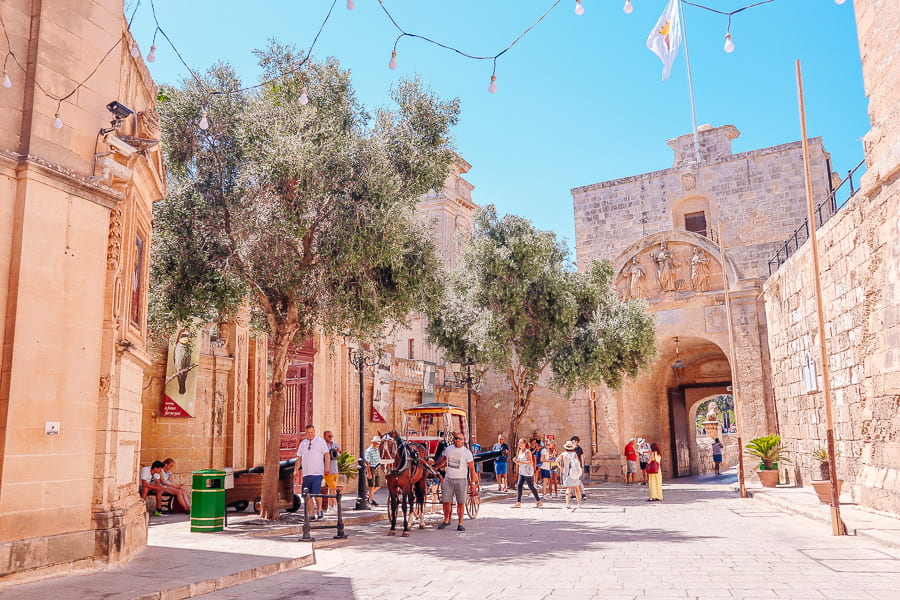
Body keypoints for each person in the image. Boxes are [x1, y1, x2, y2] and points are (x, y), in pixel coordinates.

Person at [435, 432, 478, 532]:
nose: (457, 440)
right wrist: (436, 467)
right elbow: (444, 460)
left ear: (463, 441)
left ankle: (460, 523)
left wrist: (472, 483)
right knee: (446, 501)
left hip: (461, 479)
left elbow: (472, 469)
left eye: (460, 439)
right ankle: (446, 520)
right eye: (456, 438)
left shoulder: (466, 452)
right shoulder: (448, 449)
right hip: (449, 478)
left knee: (460, 502)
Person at [296, 425, 330, 521]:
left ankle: (319, 509)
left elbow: (327, 454)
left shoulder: (320, 441)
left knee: (316, 493)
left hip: (317, 472)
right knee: (306, 495)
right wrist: (295, 469)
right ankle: (311, 514)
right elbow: (299, 458)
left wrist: (326, 467)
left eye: (312, 432)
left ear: (314, 432)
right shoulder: (303, 443)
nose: (310, 434)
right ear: (305, 433)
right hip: (306, 473)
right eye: (308, 433)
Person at [512, 438, 541, 508]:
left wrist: (520, 462)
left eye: (521, 442)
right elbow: (519, 459)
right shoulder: (520, 451)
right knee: (519, 485)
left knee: (531, 486)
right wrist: (515, 460)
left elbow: (530, 462)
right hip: (522, 471)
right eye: (519, 442)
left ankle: (538, 501)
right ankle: (518, 502)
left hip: (527, 472)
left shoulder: (527, 452)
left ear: (525, 443)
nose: (519, 444)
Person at [557, 441, 584, 510]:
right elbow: (577, 463)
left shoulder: (563, 454)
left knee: (568, 488)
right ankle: (579, 504)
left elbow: (556, 461)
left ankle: (568, 503)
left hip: (566, 472)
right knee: (577, 489)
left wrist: (561, 468)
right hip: (573, 472)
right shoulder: (574, 454)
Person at [321, 430, 341, 513]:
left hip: (335, 469)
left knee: (332, 488)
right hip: (327, 470)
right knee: (332, 488)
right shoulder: (322, 445)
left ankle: (331, 506)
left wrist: (336, 451)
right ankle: (333, 505)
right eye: (329, 436)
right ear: (324, 436)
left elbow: (339, 453)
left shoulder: (334, 444)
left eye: (331, 436)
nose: (330, 438)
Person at [364, 436, 383, 506]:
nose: (378, 445)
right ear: (373, 443)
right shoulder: (368, 451)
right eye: (377, 443)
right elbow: (367, 463)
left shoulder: (377, 450)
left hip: (377, 467)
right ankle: (371, 499)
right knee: (371, 485)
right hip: (371, 468)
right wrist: (369, 473)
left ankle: (368, 495)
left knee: (378, 485)